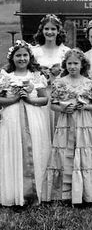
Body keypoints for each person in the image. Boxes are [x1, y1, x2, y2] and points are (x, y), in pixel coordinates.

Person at [44, 49, 92, 204]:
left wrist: (86, 107)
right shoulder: (59, 83)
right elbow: (53, 105)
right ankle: (63, 194)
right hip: (66, 122)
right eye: (69, 63)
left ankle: (87, 193)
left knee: (83, 151)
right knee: (65, 152)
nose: (72, 66)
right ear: (65, 64)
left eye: (76, 63)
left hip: (84, 122)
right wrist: (62, 108)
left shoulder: (90, 83)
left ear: (82, 65)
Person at [0, 40, 50, 206]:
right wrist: (14, 98)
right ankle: (13, 193)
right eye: (18, 55)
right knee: (12, 149)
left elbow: (44, 99)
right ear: (12, 58)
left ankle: (34, 192)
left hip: (33, 115)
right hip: (11, 118)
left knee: (35, 148)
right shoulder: (6, 76)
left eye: (24, 55)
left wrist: (30, 99)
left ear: (30, 57)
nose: (22, 58)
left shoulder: (36, 76)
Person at [31, 14, 70, 139]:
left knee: (60, 132)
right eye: (46, 29)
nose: (49, 32)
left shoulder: (66, 52)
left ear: (58, 31)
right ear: (41, 31)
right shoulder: (34, 52)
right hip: (41, 95)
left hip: (59, 96)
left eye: (53, 29)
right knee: (41, 131)